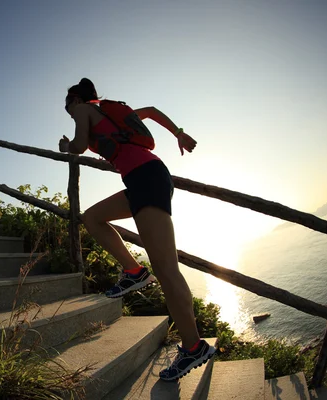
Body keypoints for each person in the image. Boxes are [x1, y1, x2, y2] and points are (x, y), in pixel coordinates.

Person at [58, 78, 216, 381]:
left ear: (75, 100)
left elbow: (78, 146)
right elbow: (153, 111)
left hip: (145, 179)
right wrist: (179, 134)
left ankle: (193, 346)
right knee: (92, 217)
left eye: (69, 110)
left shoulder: (82, 109)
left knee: (167, 270)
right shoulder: (113, 110)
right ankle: (133, 271)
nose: (71, 115)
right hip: (145, 177)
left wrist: (67, 146)